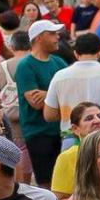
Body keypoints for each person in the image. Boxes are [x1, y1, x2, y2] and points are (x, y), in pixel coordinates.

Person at [16, 19, 67, 186]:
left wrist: (46, 93)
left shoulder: (59, 62)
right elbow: (36, 103)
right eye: (52, 33)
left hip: (62, 130)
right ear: (38, 38)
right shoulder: (25, 65)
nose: (57, 37)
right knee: (46, 181)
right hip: (38, 132)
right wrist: (59, 94)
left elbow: (69, 92)